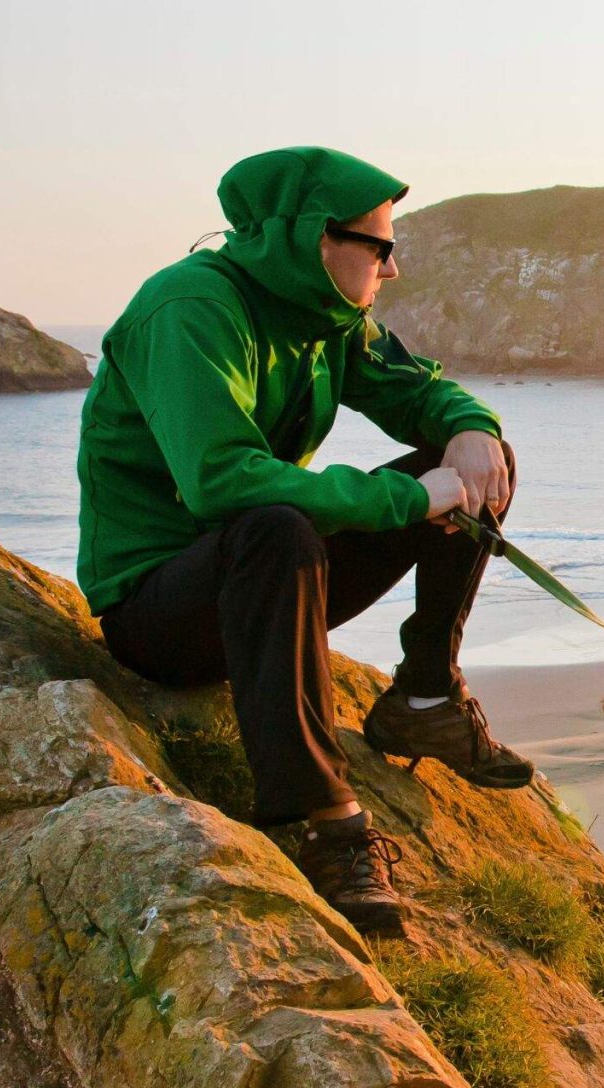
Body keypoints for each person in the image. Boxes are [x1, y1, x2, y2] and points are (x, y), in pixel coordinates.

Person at [75, 146, 536, 937]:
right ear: (313, 240)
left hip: (266, 586)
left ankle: (424, 698)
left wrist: (469, 427)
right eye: (380, 247)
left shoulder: (324, 319)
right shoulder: (189, 308)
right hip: (160, 609)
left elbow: (417, 388)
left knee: (473, 467)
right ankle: (329, 823)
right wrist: (399, 498)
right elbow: (220, 480)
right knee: (276, 526)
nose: (391, 270)